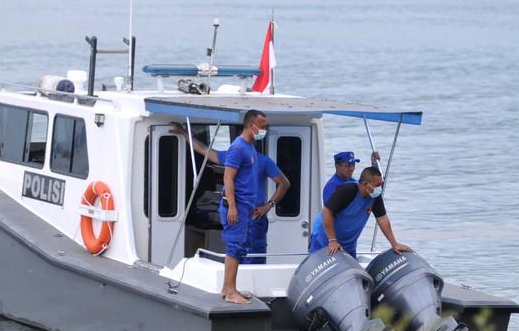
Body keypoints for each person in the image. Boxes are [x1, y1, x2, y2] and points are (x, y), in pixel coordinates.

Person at [170, 122, 290, 265]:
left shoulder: (263, 161)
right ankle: (234, 285)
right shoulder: (230, 157)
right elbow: (203, 150)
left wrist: (268, 205)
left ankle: (249, 285)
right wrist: (184, 132)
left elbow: (284, 183)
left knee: (254, 257)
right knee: (234, 255)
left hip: (254, 217)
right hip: (234, 217)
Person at [217, 110, 266, 304]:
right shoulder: (238, 148)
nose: (264, 130)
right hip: (235, 206)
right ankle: (230, 292)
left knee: (240, 247)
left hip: (246, 207)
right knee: (234, 246)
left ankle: (229, 287)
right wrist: (232, 206)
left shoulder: (250, 147)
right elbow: (228, 177)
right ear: (251, 125)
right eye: (262, 126)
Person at [309, 166, 412, 258]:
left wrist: (394, 244)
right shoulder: (348, 190)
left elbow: (382, 218)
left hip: (349, 244)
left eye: (381, 184)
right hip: (324, 239)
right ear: (365, 184)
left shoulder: (375, 196)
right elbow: (326, 211)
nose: (379, 188)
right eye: (377, 185)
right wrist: (332, 240)